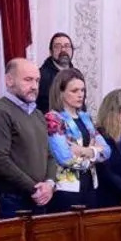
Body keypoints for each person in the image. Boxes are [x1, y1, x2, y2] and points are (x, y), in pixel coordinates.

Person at [0, 58, 55, 219]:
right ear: (9, 81)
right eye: (28, 80)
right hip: (12, 199)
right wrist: (35, 188)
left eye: (37, 80)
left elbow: (49, 154)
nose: (35, 86)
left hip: (40, 197)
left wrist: (49, 184)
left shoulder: (37, 114)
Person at [44, 68, 110, 212]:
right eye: (74, 91)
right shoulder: (54, 118)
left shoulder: (85, 117)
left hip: (91, 186)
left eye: (82, 90)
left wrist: (82, 151)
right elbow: (65, 158)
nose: (80, 95)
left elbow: (107, 151)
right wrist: (93, 153)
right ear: (61, 93)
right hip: (66, 189)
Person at [38, 32, 75, 114]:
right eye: (58, 47)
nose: (63, 50)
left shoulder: (77, 74)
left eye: (67, 46)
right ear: (51, 52)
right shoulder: (41, 75)